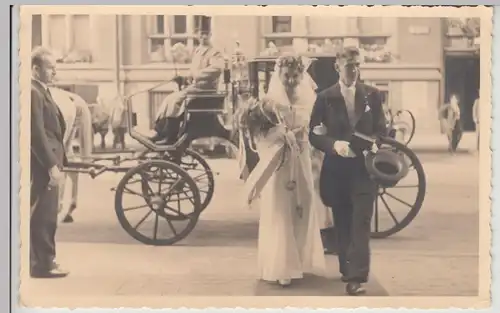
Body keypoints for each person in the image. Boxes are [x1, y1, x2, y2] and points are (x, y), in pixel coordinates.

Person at [308, 47, 387, 295]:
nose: (353, 70)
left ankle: (357, 277)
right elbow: (313, 134)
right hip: (337, 170)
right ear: (337, 67)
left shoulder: (372, 95)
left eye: (356, 65)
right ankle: (346, 267)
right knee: (342, 222)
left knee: (361, 222)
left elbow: (382, 130)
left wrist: (375, 142)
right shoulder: (324, 97)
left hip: (364, 170)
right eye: (348, 65)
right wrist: (333, 145)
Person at [242, 55, 326, 287]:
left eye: (294, 76)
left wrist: (307, 136)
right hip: (280, 161)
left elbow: (316, 126)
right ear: (279, 75)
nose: (290, 80)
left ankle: (299, 260)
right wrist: (282, 135)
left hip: (302, 156)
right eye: (286, 76)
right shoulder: (269, 102)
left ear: (301, 76)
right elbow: (260, 137)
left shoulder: (309, 97)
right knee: (280, 208)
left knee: (304, 204)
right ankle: (281, 265)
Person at [30, 46, 69, 278]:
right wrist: (51, 165)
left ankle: (40, 261)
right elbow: (36, 133)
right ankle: (43, 265)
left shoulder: (41, 90)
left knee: (45, 213)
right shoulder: (34, 92)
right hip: (45, 164)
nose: (55, 72)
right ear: (36, 69)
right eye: (50, 68)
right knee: (44, 215)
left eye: (55, 68)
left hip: (49, 160)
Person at [151, 30, 225, 145]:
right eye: (200, 34)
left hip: (205, 90)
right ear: (197, 35)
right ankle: (161, 132)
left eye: (205, 34)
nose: (203, 37)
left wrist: (197, 75)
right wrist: (184, 78)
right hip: (194, 87)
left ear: (210, 35)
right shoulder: (198, 51)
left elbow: (216, 70)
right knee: (168, 99)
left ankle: (171, 136)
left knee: (175, 101)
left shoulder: (214, 53)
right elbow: (192, 72)